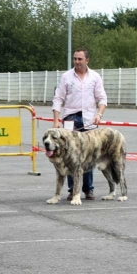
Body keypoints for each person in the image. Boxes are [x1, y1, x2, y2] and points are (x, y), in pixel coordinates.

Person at [52, 47, 107, 201]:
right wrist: (56, 120)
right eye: (75, 59)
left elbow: (102, 98)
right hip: (71, 119)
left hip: (89, 120)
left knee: (88, 155)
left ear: (87, 60)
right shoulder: (66, 77)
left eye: (79, 59)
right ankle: (72, 190)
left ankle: (88, 189)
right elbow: (58, 98)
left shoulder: (95, 77)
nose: (76, 61)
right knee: (70, 156)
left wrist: (99, 114)